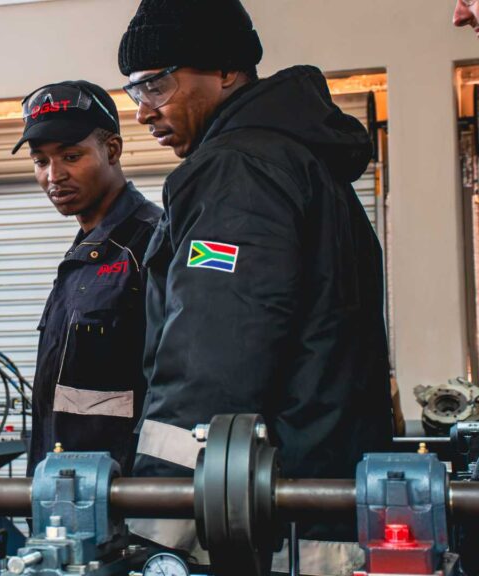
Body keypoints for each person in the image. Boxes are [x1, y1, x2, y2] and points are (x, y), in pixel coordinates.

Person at [117, 0, 392, 573]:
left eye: (156, 85)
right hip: (318, 511)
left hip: (266, 525)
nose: (143, 111)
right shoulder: (301, 163)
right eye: (135, 91)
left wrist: (159, 520)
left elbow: (213, 350)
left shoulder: (238, 170)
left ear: (224, 70)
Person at [11, 80, 162, 476]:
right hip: (64, 484)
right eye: (40, 161)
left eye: (71, 156)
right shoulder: (84, 254)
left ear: (112, 150)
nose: (53, 175)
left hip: (121, 490)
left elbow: (172, 386)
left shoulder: (152, 243)